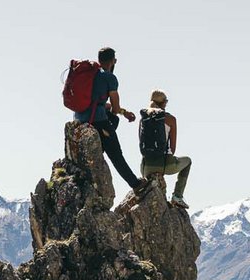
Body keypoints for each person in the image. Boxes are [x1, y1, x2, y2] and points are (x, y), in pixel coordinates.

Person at [72, 46, 142, 189]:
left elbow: (98, 102)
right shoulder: (109, 77)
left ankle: (98, 149)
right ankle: (136, 184)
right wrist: (120, 111)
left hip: (79, 119)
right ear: (112, 61)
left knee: (114, 120)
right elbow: (115, 108)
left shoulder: (91, 75)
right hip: (97, 121)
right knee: (116, 154)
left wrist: (124, 112)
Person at [137, 89, 191, 208]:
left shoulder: (143, 119)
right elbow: (172, 148)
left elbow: (141, 143)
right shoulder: (170, 119)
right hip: (165, 165)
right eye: (166, 101)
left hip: (145, 168)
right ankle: (177, 196)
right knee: (188, 161)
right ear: (163, 103)